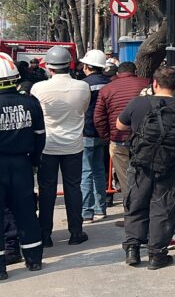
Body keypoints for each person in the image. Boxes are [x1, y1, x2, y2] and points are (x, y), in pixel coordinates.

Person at [116, 66, 175, 269]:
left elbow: (120, 126)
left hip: (140, 164)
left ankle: (132, 249)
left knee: (135, 203)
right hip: (170, 165)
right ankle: (157, 254)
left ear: (154, 83)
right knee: (163, 208)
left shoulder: (138, 103)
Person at [31, 46, 91, 247]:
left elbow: (36, 115)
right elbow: (82, 109)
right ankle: (76, 232)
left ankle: (45, 235)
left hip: (48, 146)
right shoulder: (82, 87)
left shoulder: (38, 88)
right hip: (73, 145)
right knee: (73, 188)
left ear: (48, 67)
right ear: (70, 64)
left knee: (46, 190)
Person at [0, 53, 45, 279]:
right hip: (22, 163)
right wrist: (35, 162)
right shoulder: (29, 102)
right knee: (26, 211)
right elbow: (40, 135)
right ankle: (34, 259)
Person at [94, 61, 150, 222]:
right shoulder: (147, 84)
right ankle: (147, 213)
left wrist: (108, 137)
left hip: (119, 140)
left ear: (118, 73)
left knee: (126, 180)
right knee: (145, 176)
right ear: (135, 71)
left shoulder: (107, 89)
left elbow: (98, 118)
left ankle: (132, 217)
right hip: (146, 139)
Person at [79, 49, 110, 224]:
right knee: (99, 170)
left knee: (86, 172)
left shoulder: (84, 85)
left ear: (88, 66)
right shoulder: (109, 83)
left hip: (87, 131)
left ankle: (86, 212)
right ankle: (100, 209)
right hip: (104, 133)